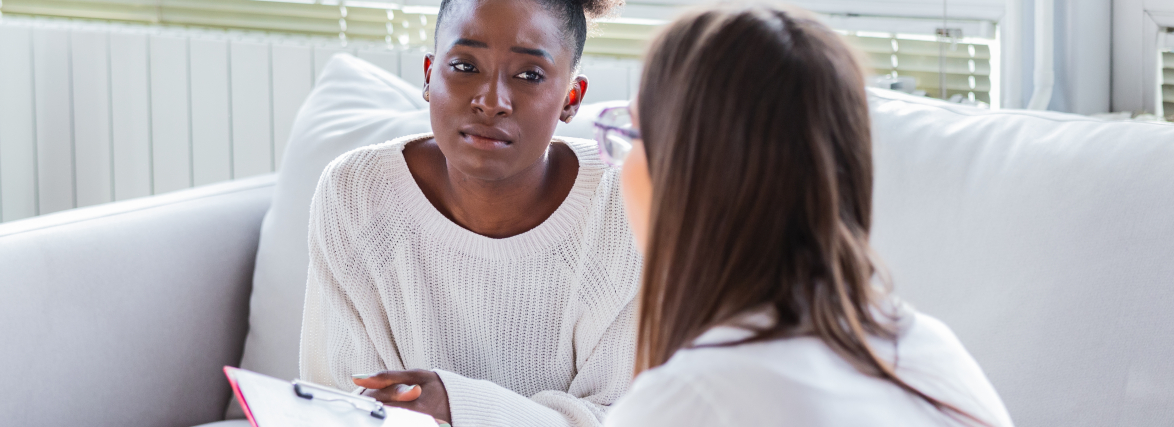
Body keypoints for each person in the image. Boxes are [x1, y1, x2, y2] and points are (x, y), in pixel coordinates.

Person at [597, 4, 1015, 426]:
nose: (621, 161)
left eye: (631, 134)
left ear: (691, 174)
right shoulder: (931, 352)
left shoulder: (686, 402)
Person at [297, 0, 640, 425]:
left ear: (571, 99)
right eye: (464, 67)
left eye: (529, 75)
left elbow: (622, 417)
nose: (491, 101)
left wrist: (458, 403)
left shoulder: (627, 206)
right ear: (428, 75)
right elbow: (340, 404)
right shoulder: (355, 194)